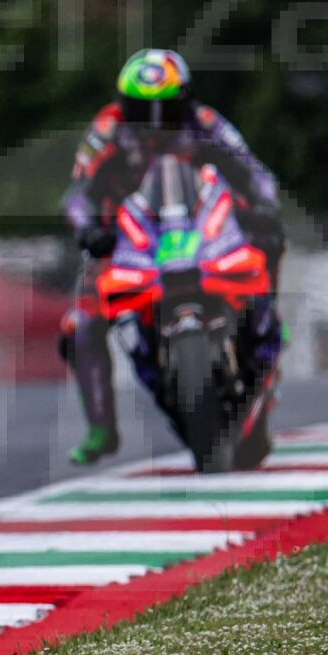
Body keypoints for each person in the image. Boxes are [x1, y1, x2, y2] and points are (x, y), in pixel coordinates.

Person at [59, 48, 286, 465]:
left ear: (184, 102)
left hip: (201, 229)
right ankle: (101, 427)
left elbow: (252, 170)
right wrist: (89, 228)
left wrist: (265, 206)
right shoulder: (107, 129)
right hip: (128, 239)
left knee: (266, 241)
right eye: (141, 110)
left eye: (164, 111)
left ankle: (266, 328)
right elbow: (77, 192)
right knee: (81, 323)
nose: (153, 124)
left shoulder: (205, 122)